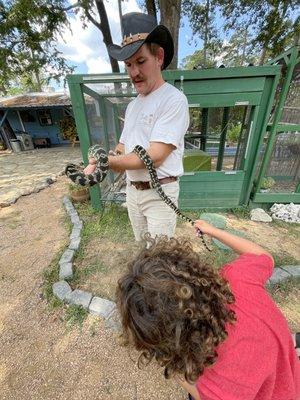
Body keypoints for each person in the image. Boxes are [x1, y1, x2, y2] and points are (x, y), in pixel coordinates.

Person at [116, 221, 300, 400]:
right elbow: (264, 256)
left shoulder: (222, 371)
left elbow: (202, 395)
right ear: (190, 270)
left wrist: (173, 369)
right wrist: (214, 232)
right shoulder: (237, 279)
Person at [84, 12, 189, 241]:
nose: (134, 73)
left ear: (159, 56)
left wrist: (106, 161)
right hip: (133, 191)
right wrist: (108, 157)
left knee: (159, 262)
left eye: (140, 61)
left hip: (159, 194)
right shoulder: (132, 106)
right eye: (128, 64)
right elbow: (123, 146)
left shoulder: (173, 99)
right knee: (142, 252)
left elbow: (156, 156)